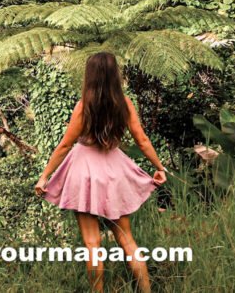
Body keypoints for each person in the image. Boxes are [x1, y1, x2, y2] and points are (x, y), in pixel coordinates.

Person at [34, 52, 167, 292]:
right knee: (126, 239)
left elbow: (65, 145)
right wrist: (159, 167)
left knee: (92, 243)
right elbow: (142, 140)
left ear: (90, 76)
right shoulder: (124, 104)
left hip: (84, 173)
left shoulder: (84, 106)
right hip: (114, 171)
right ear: (115, 75)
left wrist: (45, 176)